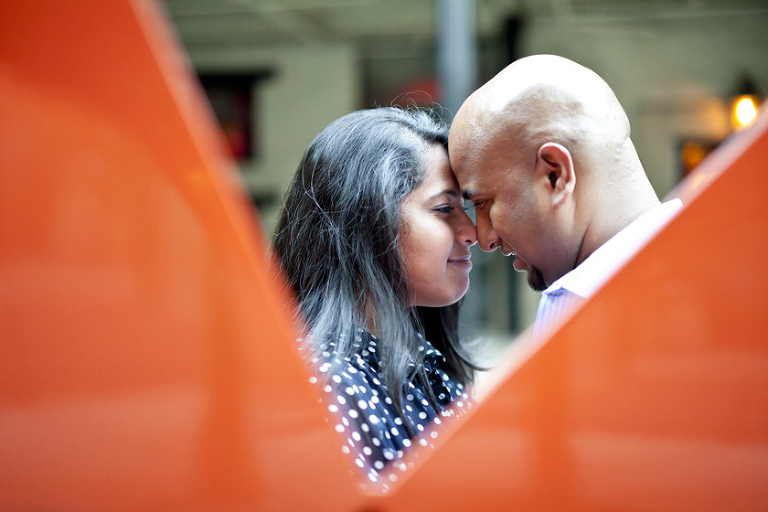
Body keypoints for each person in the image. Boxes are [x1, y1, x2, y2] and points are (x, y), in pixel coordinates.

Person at [273, 107, 479, 484]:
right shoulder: (329, 388)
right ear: (370, 221)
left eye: (464, 208)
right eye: (444, 209)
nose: (471, 232)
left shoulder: (418, 361)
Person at [448, 55, 683, 344]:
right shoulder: (716, 272)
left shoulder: (577, 301)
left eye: (483, 202)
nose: (484, 239)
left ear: (555, 176)